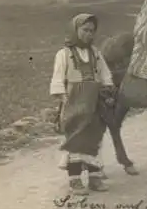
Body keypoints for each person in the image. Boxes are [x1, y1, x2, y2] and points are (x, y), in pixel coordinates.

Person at [50, 13, 116, 195]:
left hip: (94, 102)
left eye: (92, 31)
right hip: (73, 102)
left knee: (93, 139)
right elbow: (57, 78)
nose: (89, 34)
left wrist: (108, 89)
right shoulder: (64, 54)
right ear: (75, 30)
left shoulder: (96, 53)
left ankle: (95, 178)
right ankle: (75, 180)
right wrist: (63, 99)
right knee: (75, 141)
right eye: (85, 30)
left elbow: (105, 74)